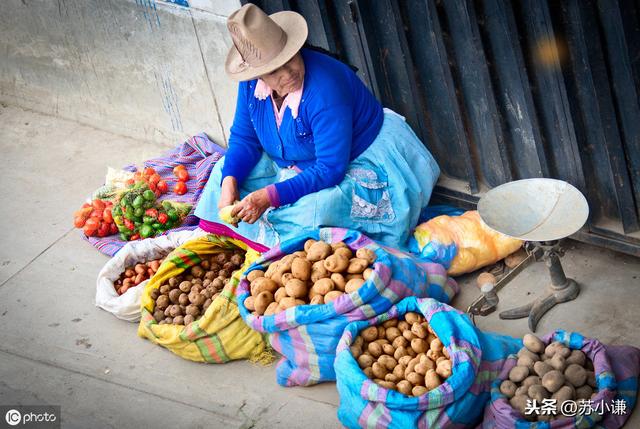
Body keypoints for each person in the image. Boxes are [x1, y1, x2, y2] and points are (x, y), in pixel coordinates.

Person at [195, 4, 440, 248]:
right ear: (257, 75)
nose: (288, 73)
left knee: (316, 211)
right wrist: (230, 181)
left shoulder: (325, 88)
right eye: (274, 70)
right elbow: (244, 139)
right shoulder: (250, 86)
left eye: (290, 58)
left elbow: (330, 168)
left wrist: (269, 197)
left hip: (354, 158)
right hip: (294, 160)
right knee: (221, 175)